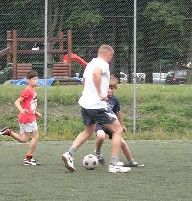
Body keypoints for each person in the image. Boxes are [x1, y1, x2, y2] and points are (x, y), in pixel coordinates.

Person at [61, 45, 131, 173]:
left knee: (88, 131)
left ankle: (69, 154)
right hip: (97, 105)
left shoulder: (90, 64)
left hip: (85, 104)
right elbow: (96, 73)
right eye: (111, 57)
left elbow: (84, 81)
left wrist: (90, 93)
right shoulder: (102, 64)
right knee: (118, 130)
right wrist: (100, 92)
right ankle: (114, 164)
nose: (111, 59)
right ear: (108, 55)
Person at [0, 70, 43, 166]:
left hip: (27, 116)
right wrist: (21, 110)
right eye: (34, 79)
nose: (36, 81)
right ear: (28, 80)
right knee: (36, 136)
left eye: (37, 79)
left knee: (24, 139)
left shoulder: (32, 90)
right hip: (28, 118)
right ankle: (28, 159)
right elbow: (17, 102)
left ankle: (7, 132)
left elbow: (29, 104)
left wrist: (35, 112)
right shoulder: (28, 90)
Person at [93, 76, 143, 168]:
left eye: (112, 88)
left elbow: (118, 114)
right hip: (100, 123)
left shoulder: (115, 100)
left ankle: (131, 161)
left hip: (111, 124)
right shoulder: (99, 97)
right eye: (107, 87)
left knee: (122, 143)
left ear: (115, 89)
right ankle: (98, 153)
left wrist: (121, 126)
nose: (109, 90)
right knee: (101, 136)